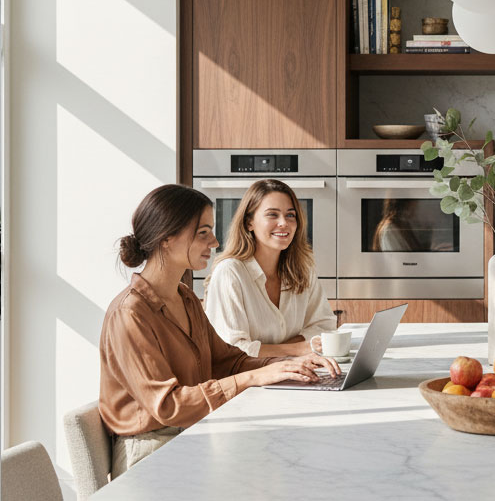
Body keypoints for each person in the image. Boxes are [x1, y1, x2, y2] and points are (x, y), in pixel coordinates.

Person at [100, 184, 338, 477]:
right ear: (166, 238)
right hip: (151, 450)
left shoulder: (185, 298)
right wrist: (252, 377)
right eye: (202, 232)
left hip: (192, 431)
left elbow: (229, 361)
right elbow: (168, 405)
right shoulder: (130, 312)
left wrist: (287, 365)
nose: (214, 242)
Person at [205, 179, 337, 357]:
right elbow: (231, 351)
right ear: (249, 223)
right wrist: (296, 349)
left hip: (295, 372)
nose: (284, 223)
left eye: (290, 215)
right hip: (249, 381)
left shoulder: (302, 269)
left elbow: (324, 325)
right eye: (272, 215)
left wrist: (281, 350)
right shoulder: (230, 272)